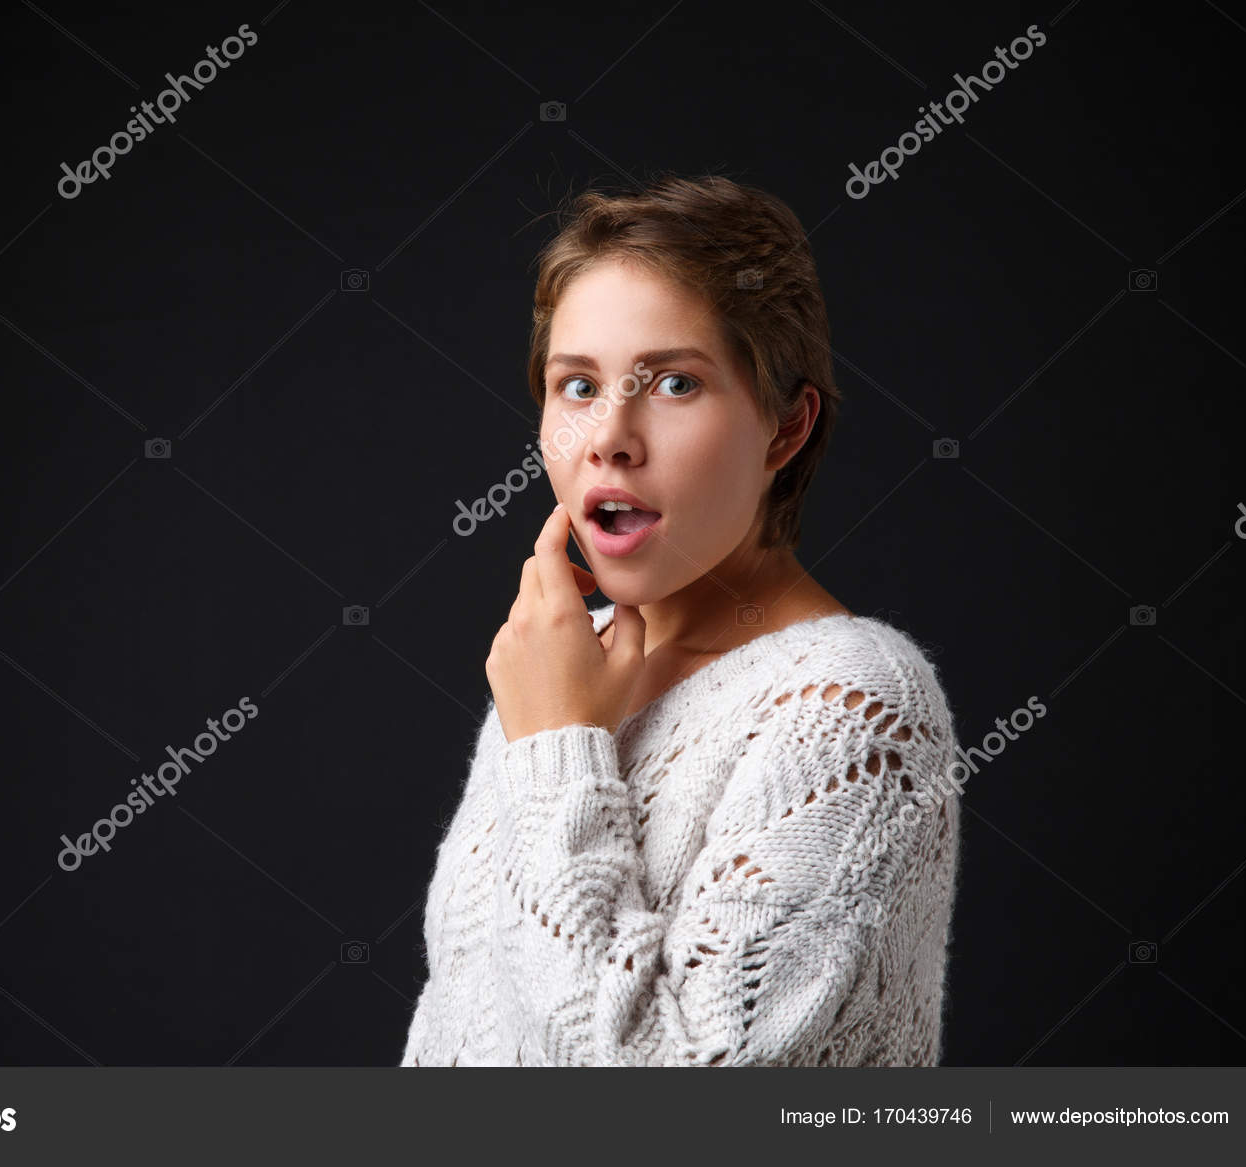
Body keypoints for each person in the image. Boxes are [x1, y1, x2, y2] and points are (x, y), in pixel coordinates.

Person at [400, 173, 964, 1067]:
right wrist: (556, 727)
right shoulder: (559, 672)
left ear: (785, 428)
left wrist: (555, 749)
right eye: (576, 385)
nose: (610, 436)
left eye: (672, 382)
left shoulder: (851, 705)